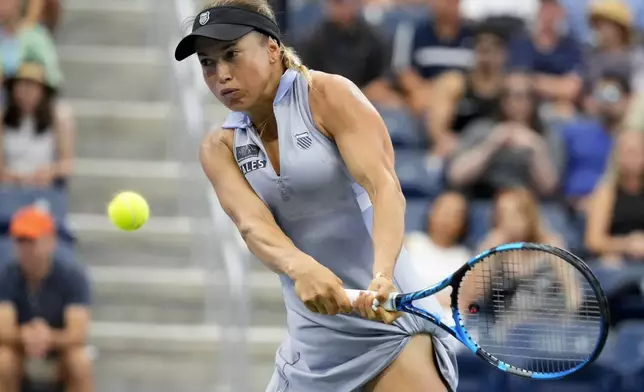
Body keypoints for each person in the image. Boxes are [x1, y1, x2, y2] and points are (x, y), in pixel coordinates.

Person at [174, 0, 458, 391]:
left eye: (231, 55)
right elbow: (253, 226)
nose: (221, 74)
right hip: (313, 349)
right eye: (208, 63)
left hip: (392, 327)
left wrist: (383, 274)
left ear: (272, 49)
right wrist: (298, 266)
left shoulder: (327, 96)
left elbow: (385, 188)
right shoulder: (218, 148)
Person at [0, 206, 93, 392]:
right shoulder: (6, 275)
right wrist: (25, 335)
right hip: (20, 351)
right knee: (3, 360)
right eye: (20, 241)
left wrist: (47, 337)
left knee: (80, 362)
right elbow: (3, 329)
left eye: (32, 241)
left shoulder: (72, 276)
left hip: (59, 353)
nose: (26, 248)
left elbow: (77, 334)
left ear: (50, 242)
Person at [447, 73, 562, 199]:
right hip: (485, 200)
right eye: (508, 95)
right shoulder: (481, 129)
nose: (516, 102)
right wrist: (491, 144)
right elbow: (456, 176)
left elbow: (549, 187)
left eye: (523, 96)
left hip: (530, 203)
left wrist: (536, 147)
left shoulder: (547, 134)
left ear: (533, 101)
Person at [428, 20, 507, 159]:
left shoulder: (510, 88)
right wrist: (448, 142)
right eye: (483, 50)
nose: (487, 58)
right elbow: (437, 129)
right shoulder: (454, 84)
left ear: (503, 54)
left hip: (498, 152)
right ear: (475, 51)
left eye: (492, 51)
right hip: (460, 150)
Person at [0, 61, 75, 187]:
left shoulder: (59, 117)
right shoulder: (3, 118)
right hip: (9, 188)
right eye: (20, 85)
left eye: (31, 86)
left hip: (44, 189)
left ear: (43, 91)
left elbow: (68, 165)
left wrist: (50, 172)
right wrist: (14, 176)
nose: (25, 91)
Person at [404, 192, 471, 318]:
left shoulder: (465, 258)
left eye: (456, 215)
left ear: (464, 223)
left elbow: (463, 303)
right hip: (408, 315)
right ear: (431, 212)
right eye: (444, 211)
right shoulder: (409, 242)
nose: (448, 219)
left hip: (446, 323)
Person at [585, 131, 644, 266]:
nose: (633, 158)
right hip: (617, 260)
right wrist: (627, 244)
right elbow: (593, 241)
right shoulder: (606, 191)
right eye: (627, 152)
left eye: (638, 151)